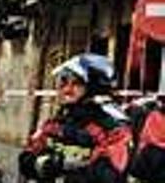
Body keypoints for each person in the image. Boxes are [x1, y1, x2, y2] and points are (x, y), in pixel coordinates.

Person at [18, 53, 131, 183]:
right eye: (64, 81)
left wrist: (63, 168)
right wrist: (40, 164)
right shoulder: (58, 121)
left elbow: (109, 175)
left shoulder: (113, 127)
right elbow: (26, 156)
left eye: (76, 83)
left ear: (94, 86)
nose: (66, 90)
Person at [127, 96, 165, 182]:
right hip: (154, 154)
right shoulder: (153, 114)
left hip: (149, 153)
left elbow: (144, 137)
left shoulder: (152, 114)